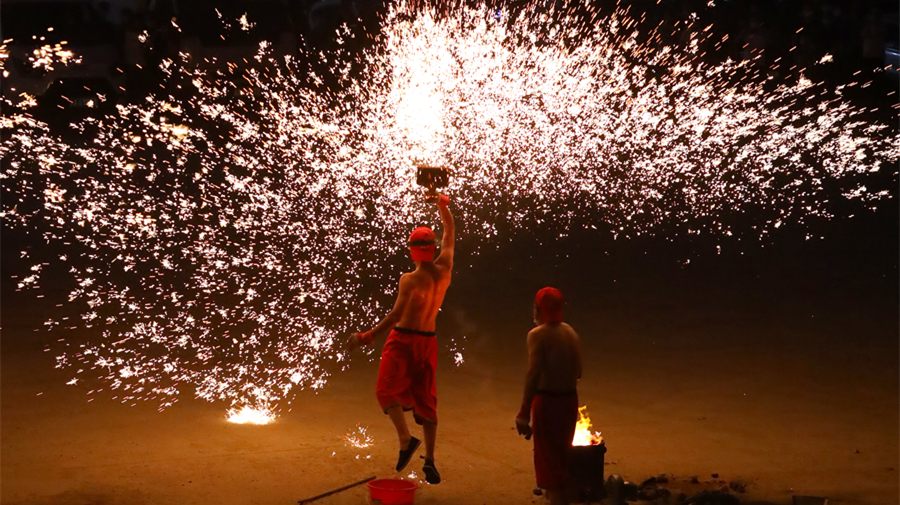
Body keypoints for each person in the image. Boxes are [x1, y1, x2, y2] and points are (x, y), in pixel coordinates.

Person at [347, 191, 454, 484]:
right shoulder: (445, 270)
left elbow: (395, 316)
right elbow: (449, 232)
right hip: (428, 341)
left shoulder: (409, 279)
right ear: (433, 248)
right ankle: (430, 459)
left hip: (404, 340)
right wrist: (442, 204)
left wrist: (367, 335)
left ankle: (406, 440)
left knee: (385, 391)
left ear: (412, 251)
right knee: (426, 400)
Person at [516, 287, 583, 505]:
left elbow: (533, 374)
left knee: (550, 470)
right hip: (570, 402)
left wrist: (523, 413)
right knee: (561, 464)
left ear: (537, 309)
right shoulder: (571, 333)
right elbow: (579, 373)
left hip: (548, 403)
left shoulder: (537, 335)